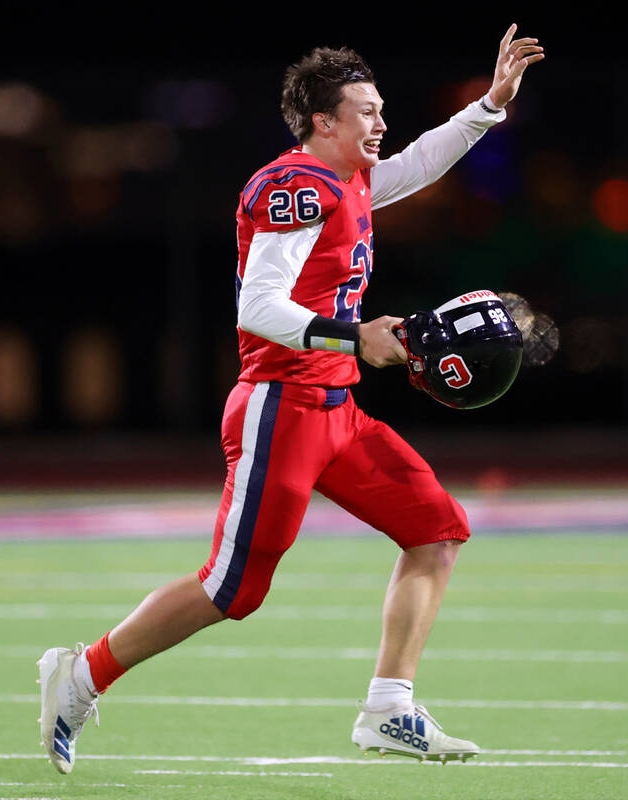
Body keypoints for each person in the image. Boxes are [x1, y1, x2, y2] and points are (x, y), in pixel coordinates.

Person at [38, 24, 543, 773]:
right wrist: (353, 337)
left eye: (379, 110)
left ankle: (389, 706)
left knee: (437, 530)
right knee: (231, 589)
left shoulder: (351, 178)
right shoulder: (297, 186)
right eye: (366, 112)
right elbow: (258, 307)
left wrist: (489, 107)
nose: (380, 123)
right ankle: (80, 675)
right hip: (281, 406)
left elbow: (419, 163)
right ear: (323, 121)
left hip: (336, 409)